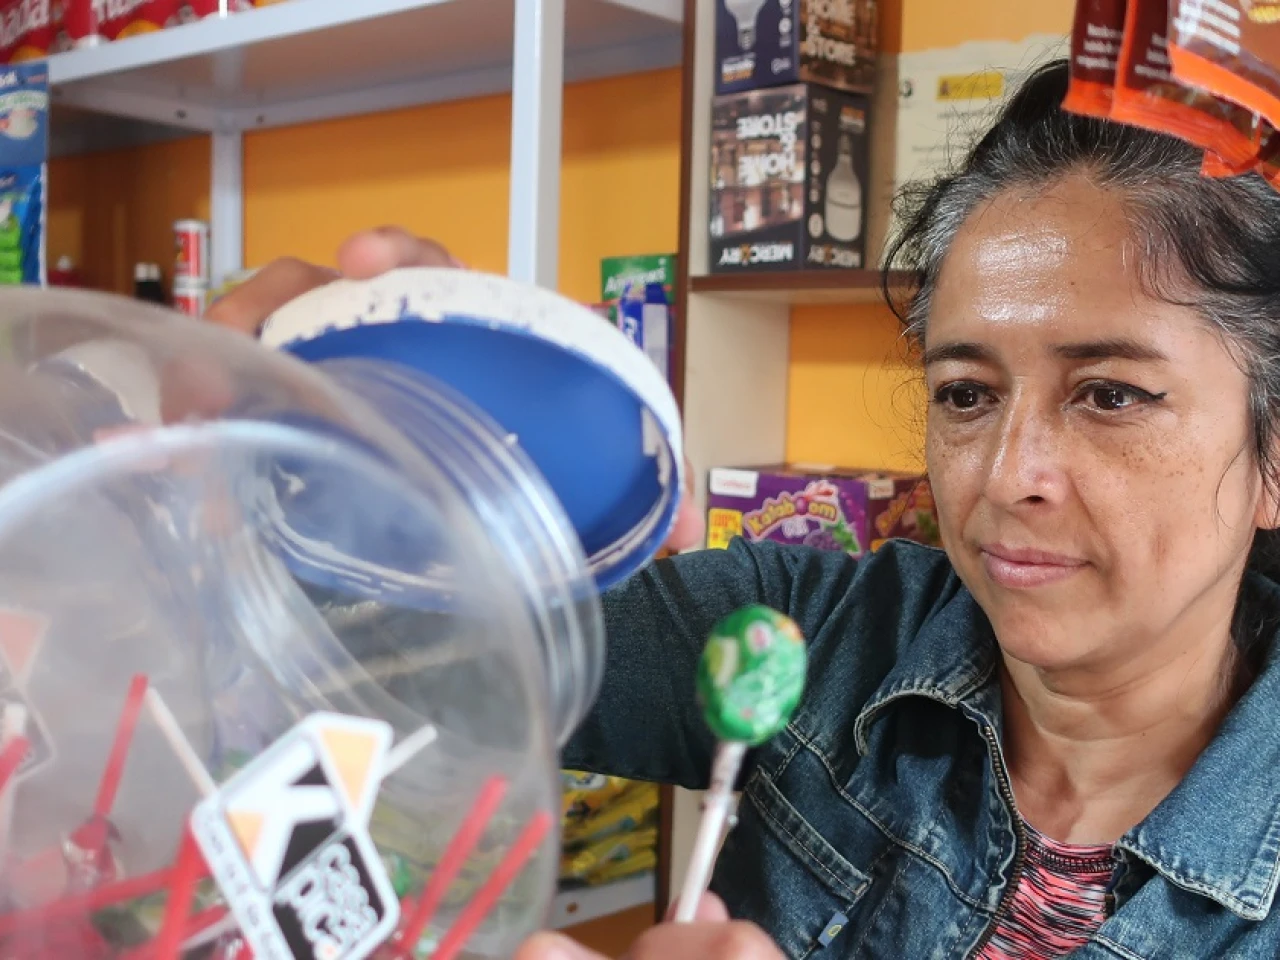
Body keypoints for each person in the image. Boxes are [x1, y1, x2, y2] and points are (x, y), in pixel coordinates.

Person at [209, 59, 1280, 957]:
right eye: (965, 394)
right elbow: (376, 653)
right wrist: (329, 477)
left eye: (1110, 395)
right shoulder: (805, 635)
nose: (1007, 476)